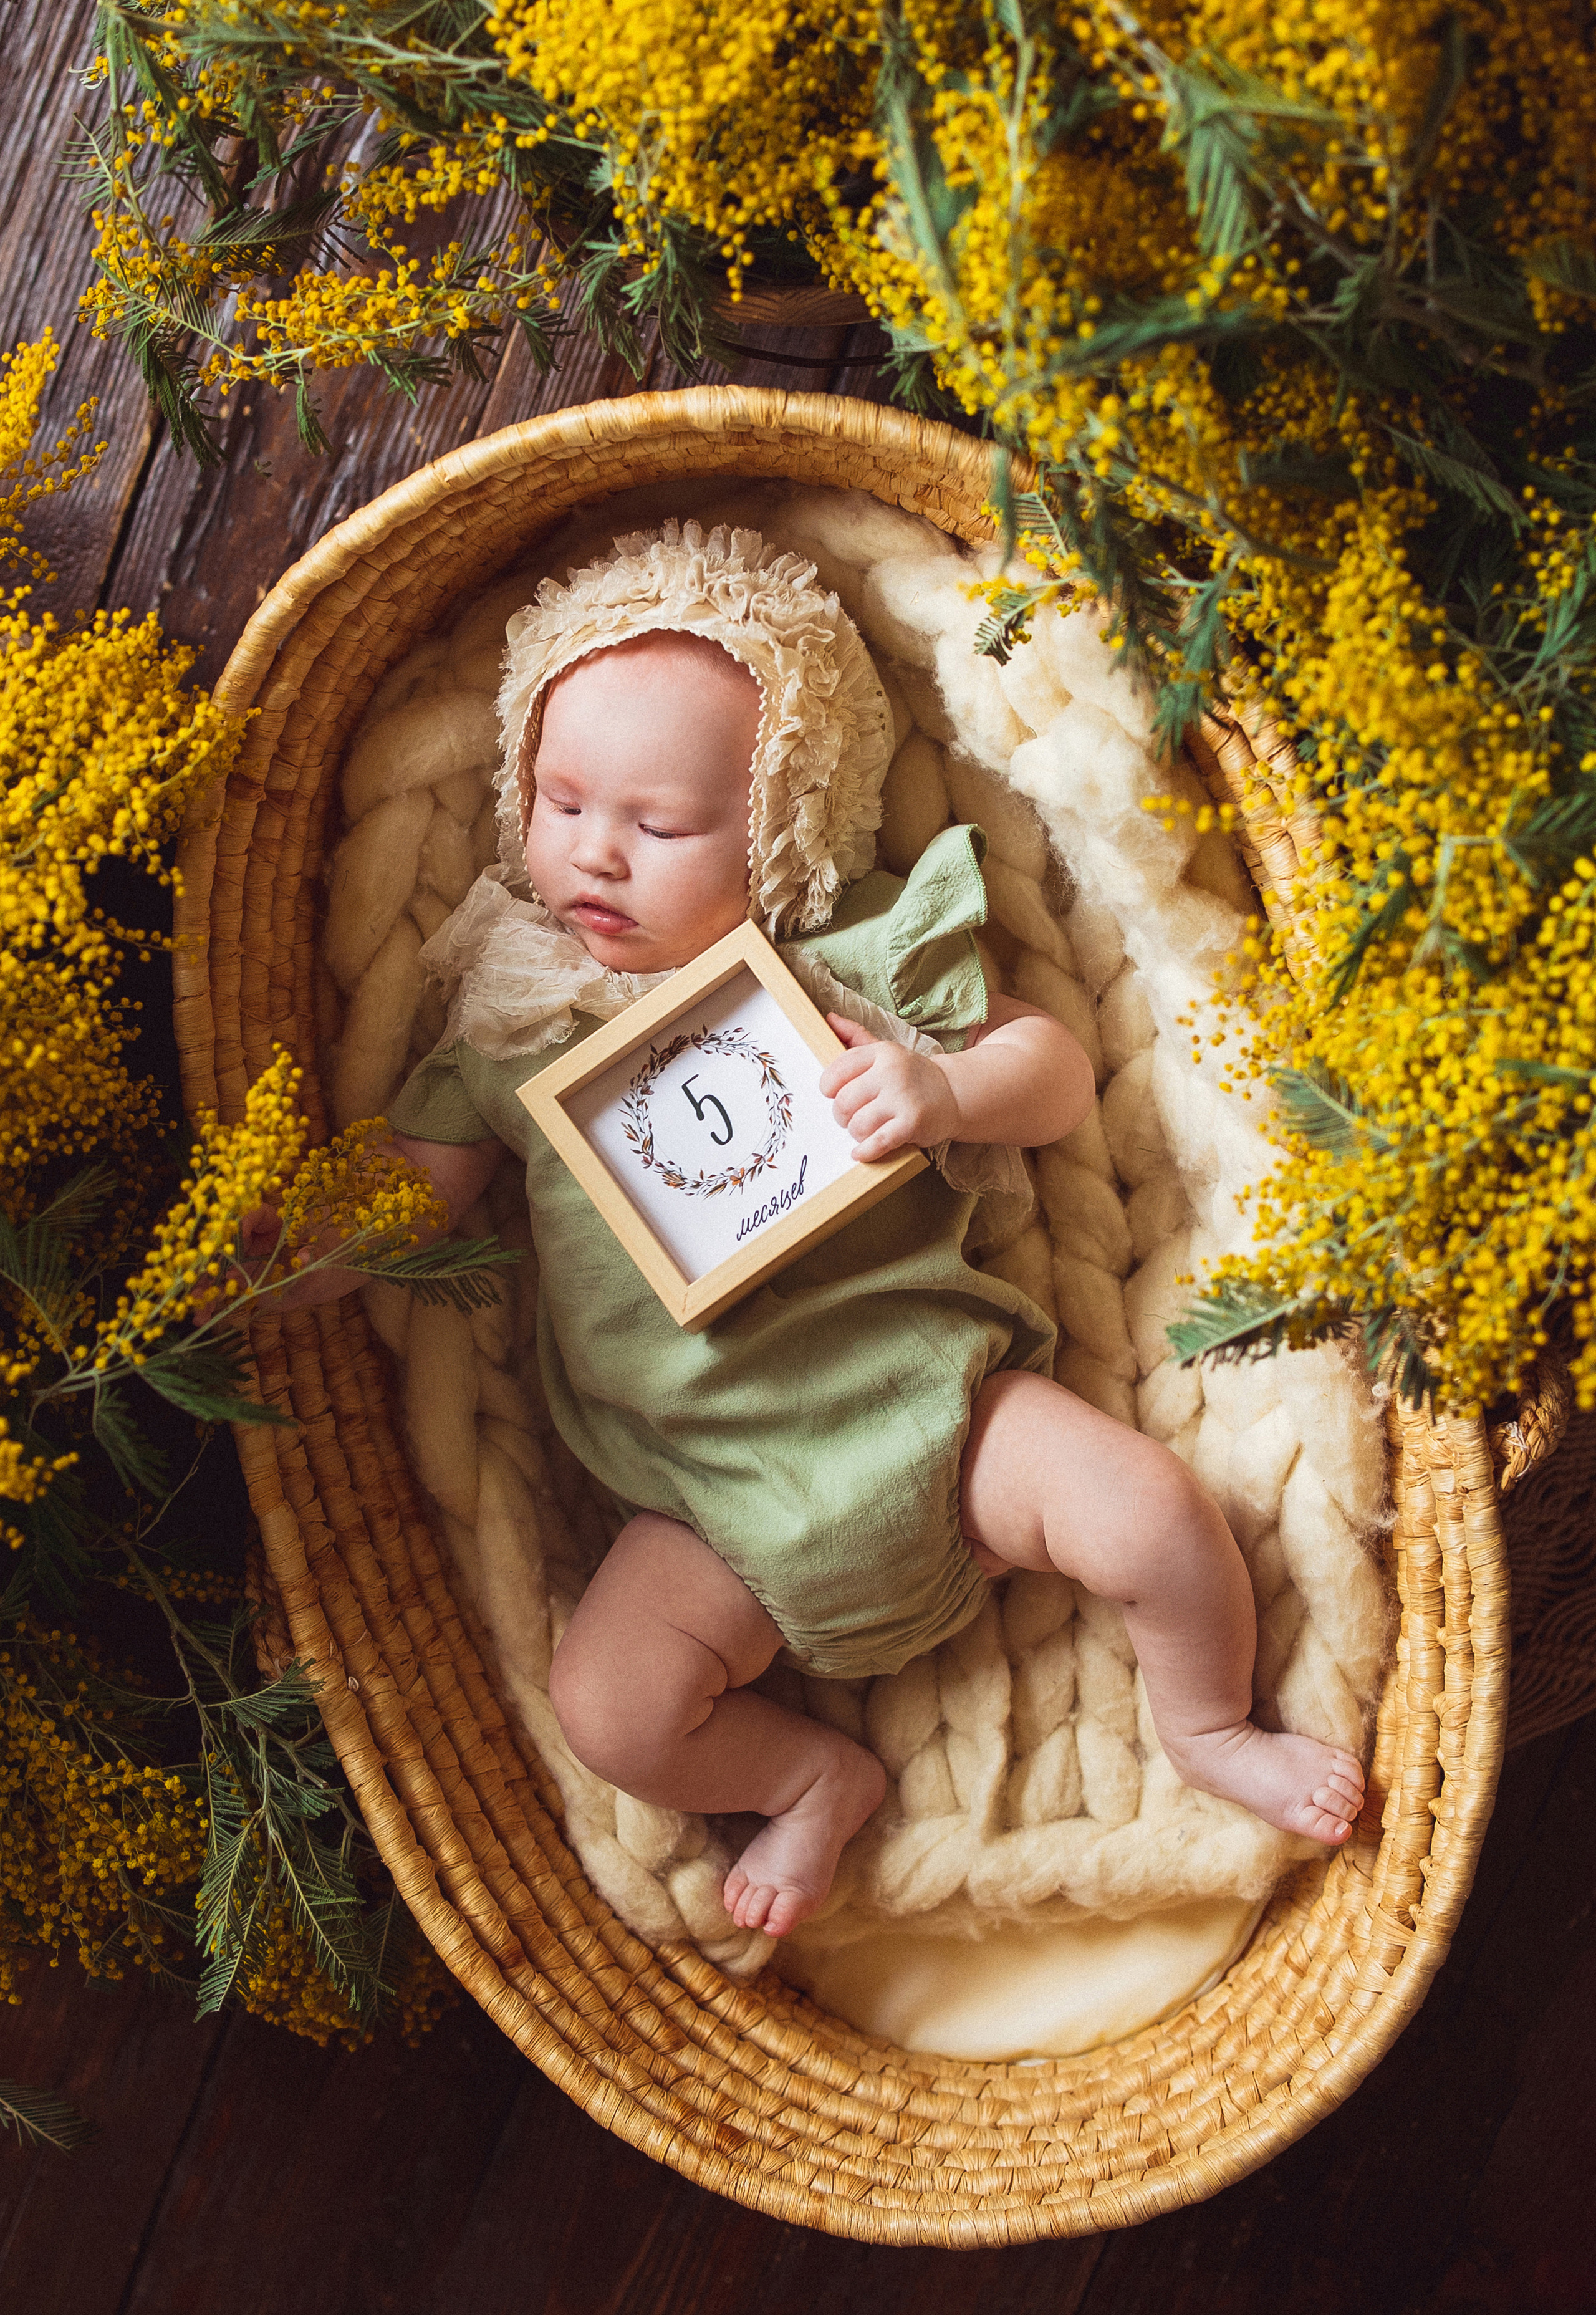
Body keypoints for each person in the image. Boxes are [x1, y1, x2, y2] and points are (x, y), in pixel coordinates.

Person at [258, 524, 1365, 1941]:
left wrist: (944, 1083)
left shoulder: (835, 971)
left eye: (657, 827)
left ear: (779, 823)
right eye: (560, 803)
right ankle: (806, 1777)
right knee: (610, 1708)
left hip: (944, 1420)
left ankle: (1206, 1727)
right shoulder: (512, 1028)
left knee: (1151, 1514)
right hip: (714, 1512)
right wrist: (281, 1267)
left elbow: (1057, 1070)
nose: (596, 852)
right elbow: (413, 1192)